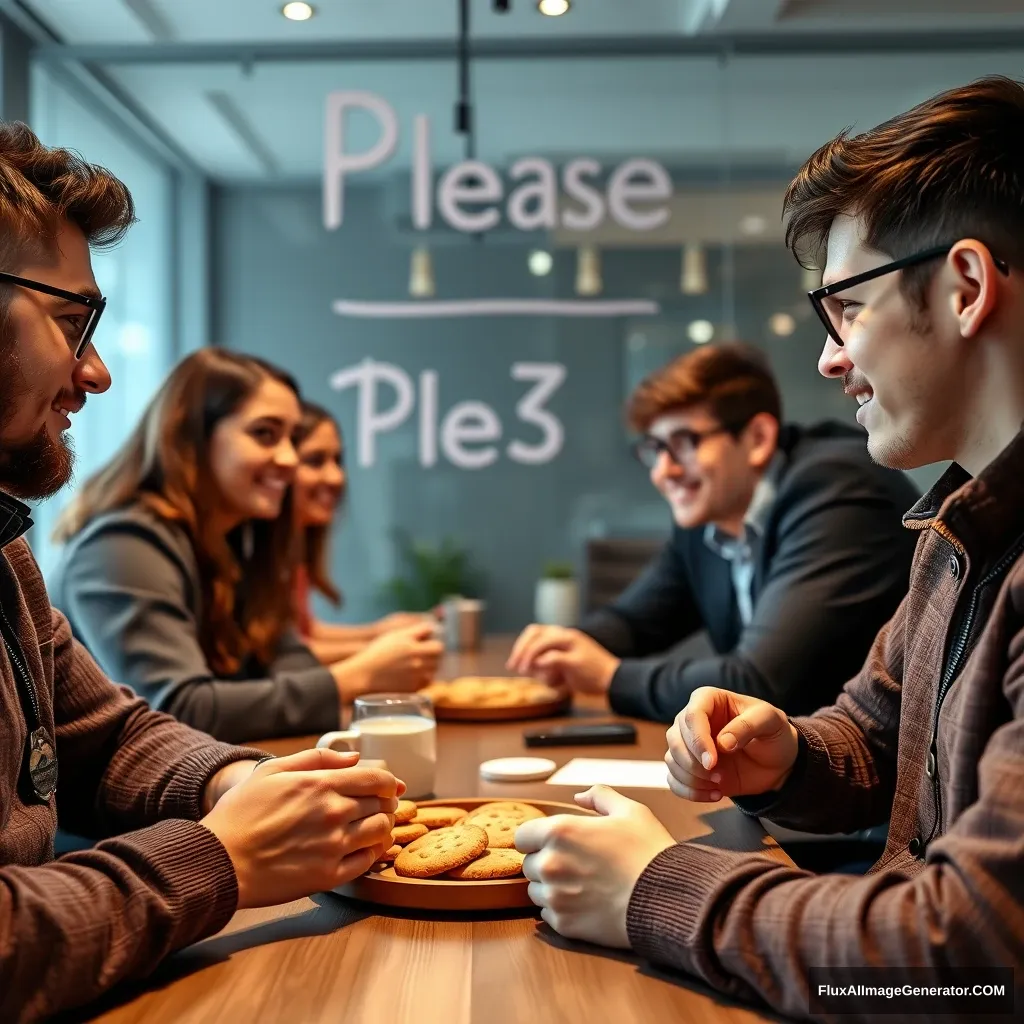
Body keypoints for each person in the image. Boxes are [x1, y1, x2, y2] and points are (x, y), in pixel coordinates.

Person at [516, 76, 1024, 1021]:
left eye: (845, 309)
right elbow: (874, 735)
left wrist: (655, 890)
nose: (830, 359)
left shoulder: (884, 500)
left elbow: (973, 956)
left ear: (965, 288)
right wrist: (787, 754)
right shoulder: (954, 522)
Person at [0, 121, 401, 1023]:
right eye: (72, 323)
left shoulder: (4, 550)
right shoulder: (125, 541)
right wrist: (219, 858)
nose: (96, 371)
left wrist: (241, 783)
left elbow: (110, 735)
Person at [508, 343, 919, 722]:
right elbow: (636, 623)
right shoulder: (713, 512)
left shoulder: (837, 492)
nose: (662, 470)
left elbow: (757, 686)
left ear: (757, 438)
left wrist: (610, 677)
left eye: (684, 442)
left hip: (869, 779)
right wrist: (564, 647)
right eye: (654, 448)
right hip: (779, 775)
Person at [49, 350, 442, 745]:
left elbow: (282, 656)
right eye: (265, 434)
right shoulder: (122, 547)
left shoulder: (235, 538)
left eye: (291, 437)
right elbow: (178, 709)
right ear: (193, 436)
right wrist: (357, 677)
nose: (290, 459)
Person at [292, 400, 435, 664]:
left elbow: (305, 631)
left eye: (337, 460)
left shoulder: (295, 548)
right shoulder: (253, 554)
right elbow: (277, 658)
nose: (336, 477)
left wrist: (379, 633)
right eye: (315, 461)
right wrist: (377, 651)